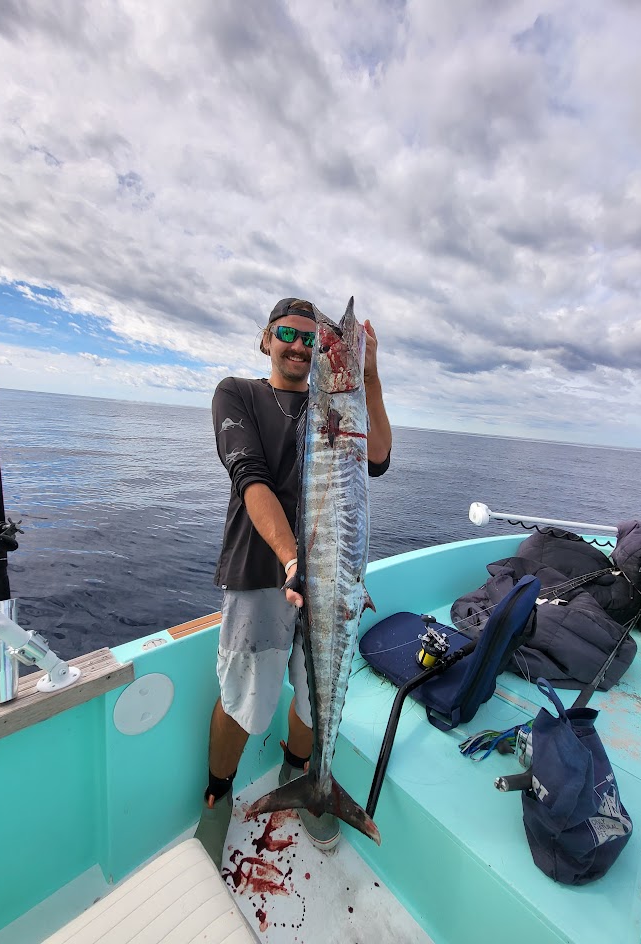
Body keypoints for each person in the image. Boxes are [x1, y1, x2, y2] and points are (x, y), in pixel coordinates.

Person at [195, 297, 392, 866]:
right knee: (242, 700)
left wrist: (369, 376)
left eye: (312, 338)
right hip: (261, 573)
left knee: (313, 697)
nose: (301, 345)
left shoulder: (334, 406)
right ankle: (217, 795)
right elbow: (250, 480)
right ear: (265, 339)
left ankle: (307, 778)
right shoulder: (237, 394)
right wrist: (290, 558)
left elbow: (375, 457)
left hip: (330, 580)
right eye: (289, 333)